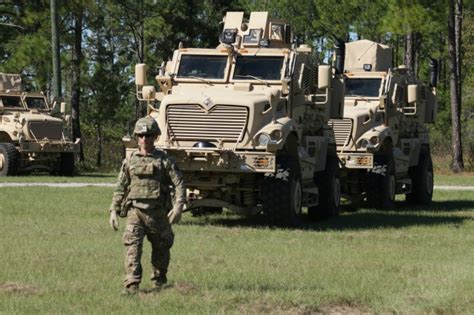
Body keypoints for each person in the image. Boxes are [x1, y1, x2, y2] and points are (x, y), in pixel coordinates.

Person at [108, 116, 185, 295]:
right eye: (141, 135)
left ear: (155, 137)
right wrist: (113, 210)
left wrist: (178, 206)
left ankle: (159, 283)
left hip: (158, 214)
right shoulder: (130, 161)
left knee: (161, 249)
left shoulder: (165, 161)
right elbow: (121, 186)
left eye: (148, 135)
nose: (144, 139)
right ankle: (132, 286)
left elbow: (179, 184)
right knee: (132, 249)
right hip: (135, 212)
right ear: (136, 137)